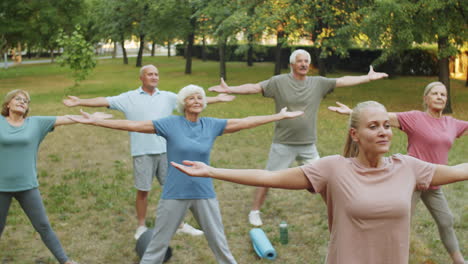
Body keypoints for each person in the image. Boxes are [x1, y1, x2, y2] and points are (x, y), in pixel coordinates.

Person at [171, 100, 468, 264]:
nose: (383, 132)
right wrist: (211, 171)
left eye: (387, 126)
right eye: (373, 126)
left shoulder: (409, 168)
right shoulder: (333, 169)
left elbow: (457, 171)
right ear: (355, 135)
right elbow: (270, 177)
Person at [67, 84, 303, 264]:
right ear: (183, 103)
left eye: (200, 97)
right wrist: (95, 123)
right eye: (191, 97)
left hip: (203, 192)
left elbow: (244, 122)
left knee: (219, 243)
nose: (197, 100)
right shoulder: (170, 124)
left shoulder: (211, 125)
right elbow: (134, 126)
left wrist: (278, 116)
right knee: (157, 245)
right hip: (175, 192)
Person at [208, 49, 389, 226]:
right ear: (292, 64)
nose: (304, 64)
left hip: (308, 144)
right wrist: (231, 89)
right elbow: (255, 87)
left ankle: (338, 210)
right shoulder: (278, 82)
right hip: (283, 143)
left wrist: (367, 77)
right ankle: (254, 211)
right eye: (300, 61)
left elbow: (342, 81)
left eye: (306, 61)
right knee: (267, 178)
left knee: (325, 178)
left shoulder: (318, 83)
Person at [63, 64, 235, 239]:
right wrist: (80, 101)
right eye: (150, 74)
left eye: (156, 74)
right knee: (143, 190)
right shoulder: (129, 98)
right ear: (141, 78)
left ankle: (180, 224)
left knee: (174, 189)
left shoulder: (168, 97)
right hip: (142, 151)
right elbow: (104, 100)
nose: (154, 77)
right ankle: (141, 226)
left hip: (168, 152)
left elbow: (192, 100)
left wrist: (218, 99)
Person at [328, 81, 468, 264]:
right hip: (409, 182)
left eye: (443, 94)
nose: (439, 97)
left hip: (434, 182)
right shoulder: (415, 118)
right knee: (394, 223)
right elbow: (380, 117)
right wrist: (352, 112)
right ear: (425, 98)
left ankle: (459, 261)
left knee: (446, 221)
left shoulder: (452, 123)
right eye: (435, 93)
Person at [0, 89, 110, 264]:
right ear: (8, 104)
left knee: (43, 226)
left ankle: (65, 261)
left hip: (27, 186)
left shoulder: (34, 124)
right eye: (18, 99)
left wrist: (90, 117)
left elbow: (66, 119)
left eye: (26, 101)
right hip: (1, 187)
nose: (22, 102)